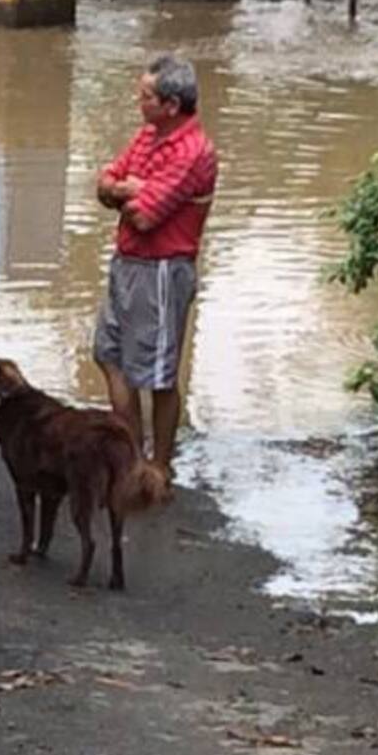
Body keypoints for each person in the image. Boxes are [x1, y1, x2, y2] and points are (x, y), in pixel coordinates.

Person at [93, 54, 218, 483]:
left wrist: (126, 192)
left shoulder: (193, 151)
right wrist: (130, 190)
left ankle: (160, 469)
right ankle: (133, 460)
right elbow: (104, 182)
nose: (138, 100)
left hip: (163, 269)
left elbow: (146, 217)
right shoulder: (147, 135)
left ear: (171, 105)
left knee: (159, 375)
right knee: (108, 355)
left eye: (146, 96)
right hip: (127, 262)